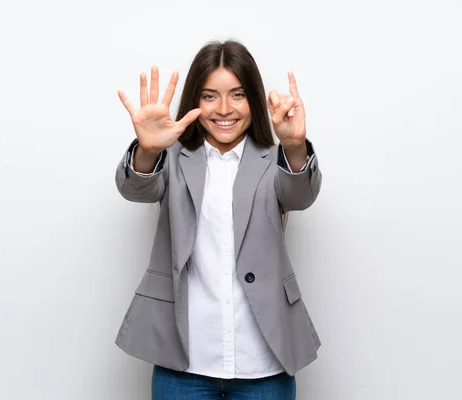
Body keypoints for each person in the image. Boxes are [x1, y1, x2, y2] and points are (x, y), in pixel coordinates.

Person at [114, 39, 322, 400]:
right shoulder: (174, 159)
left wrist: (293, 146)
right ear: (195, 100)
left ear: (253, 100)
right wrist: (148, 150)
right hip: (184, 361)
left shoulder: (273, 161)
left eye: (237, 95)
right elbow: (136, 189)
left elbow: (300, 195)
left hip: (264, 361)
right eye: (210, 96)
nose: (224, 109)